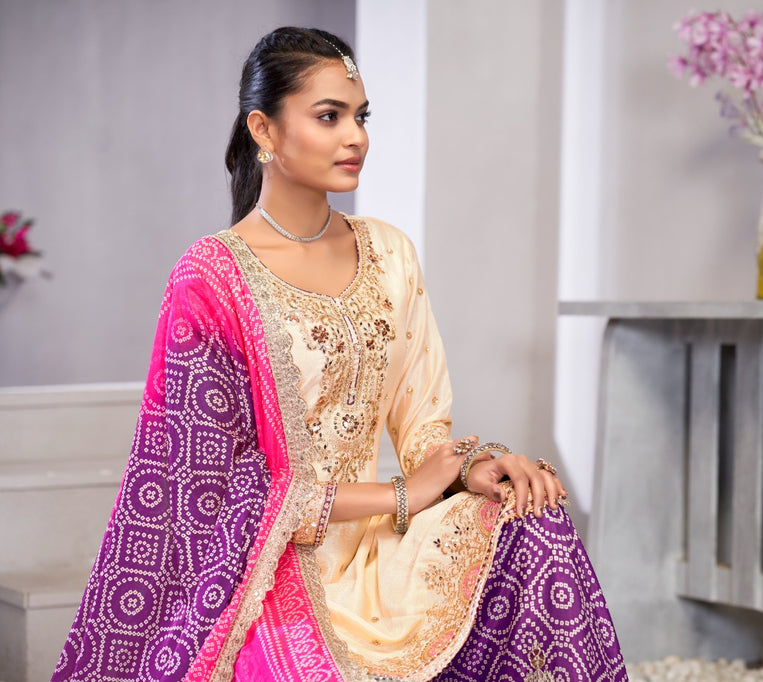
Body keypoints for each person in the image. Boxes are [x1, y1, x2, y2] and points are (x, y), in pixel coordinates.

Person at [53, 27, 627, 682]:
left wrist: (476, 469)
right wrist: (401, 493)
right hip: (269, 568)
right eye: (330, 116)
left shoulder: (388, 253)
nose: (356, 137)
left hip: (381, 552)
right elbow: (217, 489)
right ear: (264, 130)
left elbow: (424, 431)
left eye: (360, 116)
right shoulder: (211, 277)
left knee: (532, 520)